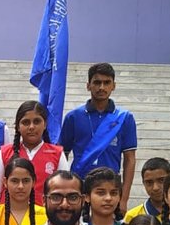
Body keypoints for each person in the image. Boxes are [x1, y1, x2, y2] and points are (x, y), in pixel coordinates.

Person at [58, 62, 137, 208]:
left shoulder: (125, 118)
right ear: (88, 85)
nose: (101, 87)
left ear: (113, 86)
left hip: (110, 189)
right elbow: (62, 155)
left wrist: (124, 199)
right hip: (79, 187)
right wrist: (64, 189)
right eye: (97, 82)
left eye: (107, 83)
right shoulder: (73, 117)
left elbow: (130, 159)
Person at [0, 101, 69, 209]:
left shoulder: (57, 154)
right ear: (18, 127)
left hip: (43, 217)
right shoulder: (4, 153)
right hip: (7, 216)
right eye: (26, 122)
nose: (31, 127)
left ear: (45, 124)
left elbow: (64, 190)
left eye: (37, 121)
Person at [124, 157, 170, 223]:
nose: (155, 188)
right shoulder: (132, 216)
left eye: (161, 180)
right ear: (143, 183)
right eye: (149, 182)